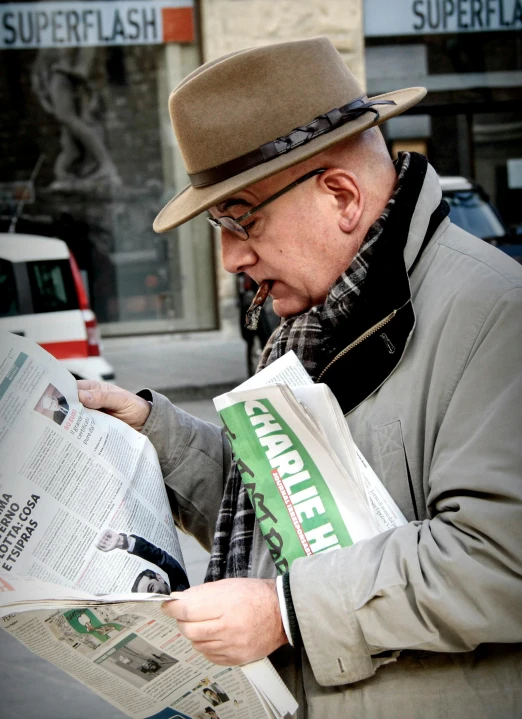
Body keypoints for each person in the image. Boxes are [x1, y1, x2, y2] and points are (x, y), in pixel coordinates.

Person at [78, 37, 522, 718]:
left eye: (241, 218)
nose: (229, 257)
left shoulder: (496, 311)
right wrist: (156, 434)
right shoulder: (324, 309)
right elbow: (290, 502)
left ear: (342, 195)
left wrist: (285, 611)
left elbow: (500, 560)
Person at [95, 529, 189, 593]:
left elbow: (160, 558)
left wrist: (124, 542)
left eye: (151, 589)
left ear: (159, 578)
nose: (153, 598)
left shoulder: (181, 590)